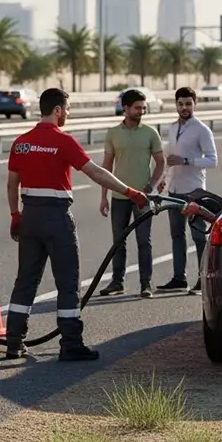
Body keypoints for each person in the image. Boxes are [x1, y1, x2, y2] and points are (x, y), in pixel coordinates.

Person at [5, 87, 149, 362]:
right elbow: (95, 172)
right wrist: (130, 192)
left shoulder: (20, 143)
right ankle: (71, 343)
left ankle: (14, 342)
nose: (67, 115)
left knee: (25, 281)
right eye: (67, 110)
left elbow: (12, 183)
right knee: (68, 282)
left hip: (30, 215)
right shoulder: (64, 141)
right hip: (57, 217)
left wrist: (15, 215)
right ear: (57, 110)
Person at [97, 88, 166, 299]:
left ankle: (146, 284)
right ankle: (118, 282)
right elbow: (106, 168)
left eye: (143, 108)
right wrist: (103, 197)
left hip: (142, 198)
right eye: (137, 108)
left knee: (144, 241)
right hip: (119, 197)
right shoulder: (113, 133)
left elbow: (160, 162)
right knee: (119, 241)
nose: (141, 111)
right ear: (125, 108)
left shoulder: (150, 132)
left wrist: (151, 186)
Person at [156, 86, 218, 295]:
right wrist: (163, 179)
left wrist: (187, 160)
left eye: (188, 104)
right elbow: (169, 158)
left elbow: (213, 160)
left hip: (194, 191)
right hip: (174, 189)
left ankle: (203, 279)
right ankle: (178, 278)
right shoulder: (172, 128)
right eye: (181, 104)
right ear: (176, 105)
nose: (184, 107)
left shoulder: (202, 130)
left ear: (195, 104)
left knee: (199, 236)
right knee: (176, 235)